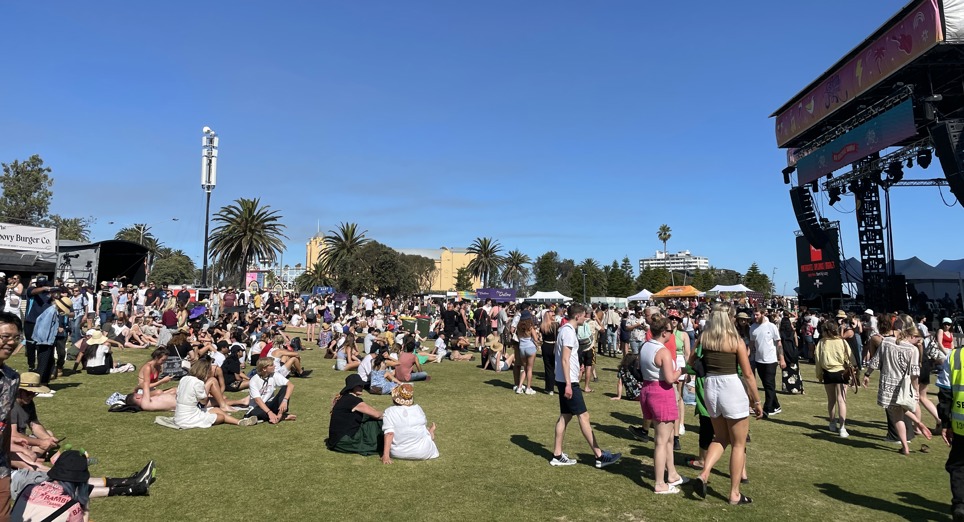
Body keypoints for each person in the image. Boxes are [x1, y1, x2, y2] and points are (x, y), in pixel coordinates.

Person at [694, 303, 761, 506]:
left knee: (720, 437)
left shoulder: (704, 338)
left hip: (711, 387)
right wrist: (757, 401)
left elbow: (691, 361)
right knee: (738, 444)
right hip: (730, 385)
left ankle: (704, 473)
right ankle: (734, 493)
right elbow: (748, 374)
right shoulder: (735, 340)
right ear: (730, 318)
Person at [549, 304, 621, 468]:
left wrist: (576, 367)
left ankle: (557, 454)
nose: (586, 317)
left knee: (565, 416)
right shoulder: (567, 331)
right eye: (584, 315)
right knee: (583, 416)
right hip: (569, 382)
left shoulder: (565, 330)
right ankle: (599, 455)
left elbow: (561, 355)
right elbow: (564, 359)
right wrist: (569, 382)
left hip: (565, 379)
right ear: (577, 316)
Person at [864, 314, 933, 455]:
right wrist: (915, 390)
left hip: (888, 383)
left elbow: (875, 360)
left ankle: (905, 447)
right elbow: (914, 373)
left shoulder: (887, 342)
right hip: (904, 386)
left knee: (897, 416)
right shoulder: (912, 349)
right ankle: (917, 423)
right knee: (901, 409)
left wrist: (867, 374)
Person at [638, 314, 687, 493]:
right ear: (665, 332)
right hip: (661, 393)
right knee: (661, 441)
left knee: (666, 439)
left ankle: (672, 474)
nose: (672, 334)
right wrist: (682, 370)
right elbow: (670, 378)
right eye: (671, 331)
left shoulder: (646, 346)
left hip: (647, 390)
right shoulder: (663, 351)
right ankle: (659, 483)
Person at [174, 359, 256, 429]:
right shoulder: (198, 383)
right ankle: (239, 421)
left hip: (179, 415)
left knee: (217, 410)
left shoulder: (183, 379)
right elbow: (203, 401)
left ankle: (239, 422)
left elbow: (178, 394)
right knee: (221, 417)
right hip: (189, 418)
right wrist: (206, 392)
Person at [813, 320, 855, 438]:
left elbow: (818, 360)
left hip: (828, 373)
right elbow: (849, 357)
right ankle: (842, 427)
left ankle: (832, 422)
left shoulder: (822, 342)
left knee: (831, 400)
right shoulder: (842, 342)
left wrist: (819, 375)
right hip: (841, 372)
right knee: (842, 400)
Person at [381, 384, 439, 464]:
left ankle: (430, 433)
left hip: (398, 453)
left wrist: (386, 456)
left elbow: (389, 433)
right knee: (423, 430)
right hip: (423, 452)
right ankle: (430, 433)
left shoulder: (389, 411)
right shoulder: (418, 409)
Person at [327, 374, 383, 455]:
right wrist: (391, 415)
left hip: (335, 441)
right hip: (344, 441)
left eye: (362, 385)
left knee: (370, 419)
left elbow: (373, 411)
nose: (362, 387)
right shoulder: (352, 400)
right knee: (376, 423)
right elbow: (377, 415)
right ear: (352, 387)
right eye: (359, 385)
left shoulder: (345, 398)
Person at [940, 341, 964, 521]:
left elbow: (945, 392)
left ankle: (960, 504)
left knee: (958, 466)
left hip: (960, 424)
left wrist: (945, 423)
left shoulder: (955, 356)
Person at [749, 307, 784, 418]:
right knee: (767, 385)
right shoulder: (753, 328)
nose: (755, 317)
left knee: (769, 385)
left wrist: (781, 359)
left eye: (757, 315)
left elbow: (779, 344)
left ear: (763, 314)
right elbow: (751, 344)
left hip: (771, 360)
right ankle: (776, 405)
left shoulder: (771, 326)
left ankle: (767, 409)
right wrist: (746, 356)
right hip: (759, 360)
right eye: (754, 315)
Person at [244, 358, 296, 424]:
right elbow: (258, 400)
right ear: (264, 369)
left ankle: (279, 415)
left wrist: (285, 401)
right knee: (256, 413)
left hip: (270, 404)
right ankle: (280, 417)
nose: (274, 366)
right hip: (258, 407)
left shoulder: (274, 375)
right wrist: (270, 413)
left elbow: (291, 385)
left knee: (285, 388)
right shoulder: (254, 380)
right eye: (271, 365)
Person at [514, 317, 540, 395]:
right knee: (529, 369)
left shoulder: (518, 327)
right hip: (530, 347)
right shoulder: (530, 327)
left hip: (522, 348)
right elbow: (535, 338)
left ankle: (519, 387)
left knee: (524, 369)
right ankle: (528, 388)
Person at [540, 310, 558, 395]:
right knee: (555, 368)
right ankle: (556, 386)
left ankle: (549, 388)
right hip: (554, 346)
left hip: (546, 346)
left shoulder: (543, 326)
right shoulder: (556, 325)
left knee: (548, 368)